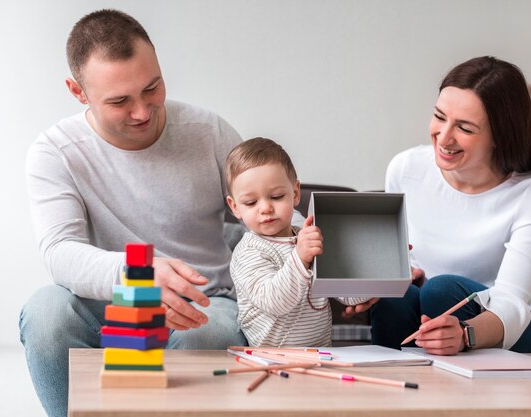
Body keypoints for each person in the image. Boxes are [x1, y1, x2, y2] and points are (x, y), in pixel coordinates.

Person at [20, 9, 247, 417]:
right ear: (78, 91)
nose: (143, 111)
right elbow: (59, 252)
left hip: (204, 300)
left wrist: (335, 256)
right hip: (108, 301)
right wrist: (139, 277)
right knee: (45, 314)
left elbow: (269, 208)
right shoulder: (55, 152)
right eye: (120, 101)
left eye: (153, 87)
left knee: (209, 331)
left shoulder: (209, 132)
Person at [370, 56, 531, 356]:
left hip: (516, 329)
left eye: (464, 127)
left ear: (500, 137)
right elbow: (400, 264)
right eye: (439, 116)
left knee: (441, 290)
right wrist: (372, 288)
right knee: (394, 297)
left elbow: (510, 302)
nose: (444, 136)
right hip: (435, 322)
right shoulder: (405, 169)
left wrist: (465, 335)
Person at [225, 138, 370, 347]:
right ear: (235, 206)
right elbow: (273, 301)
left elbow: (348, 297)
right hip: (269, 358)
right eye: (251, 202)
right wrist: (300, 259)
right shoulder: (248, 251)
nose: (265, 208)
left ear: (294, 193)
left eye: (276, 196)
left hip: (319, 354)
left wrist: (385, 270)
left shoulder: (309, 239)